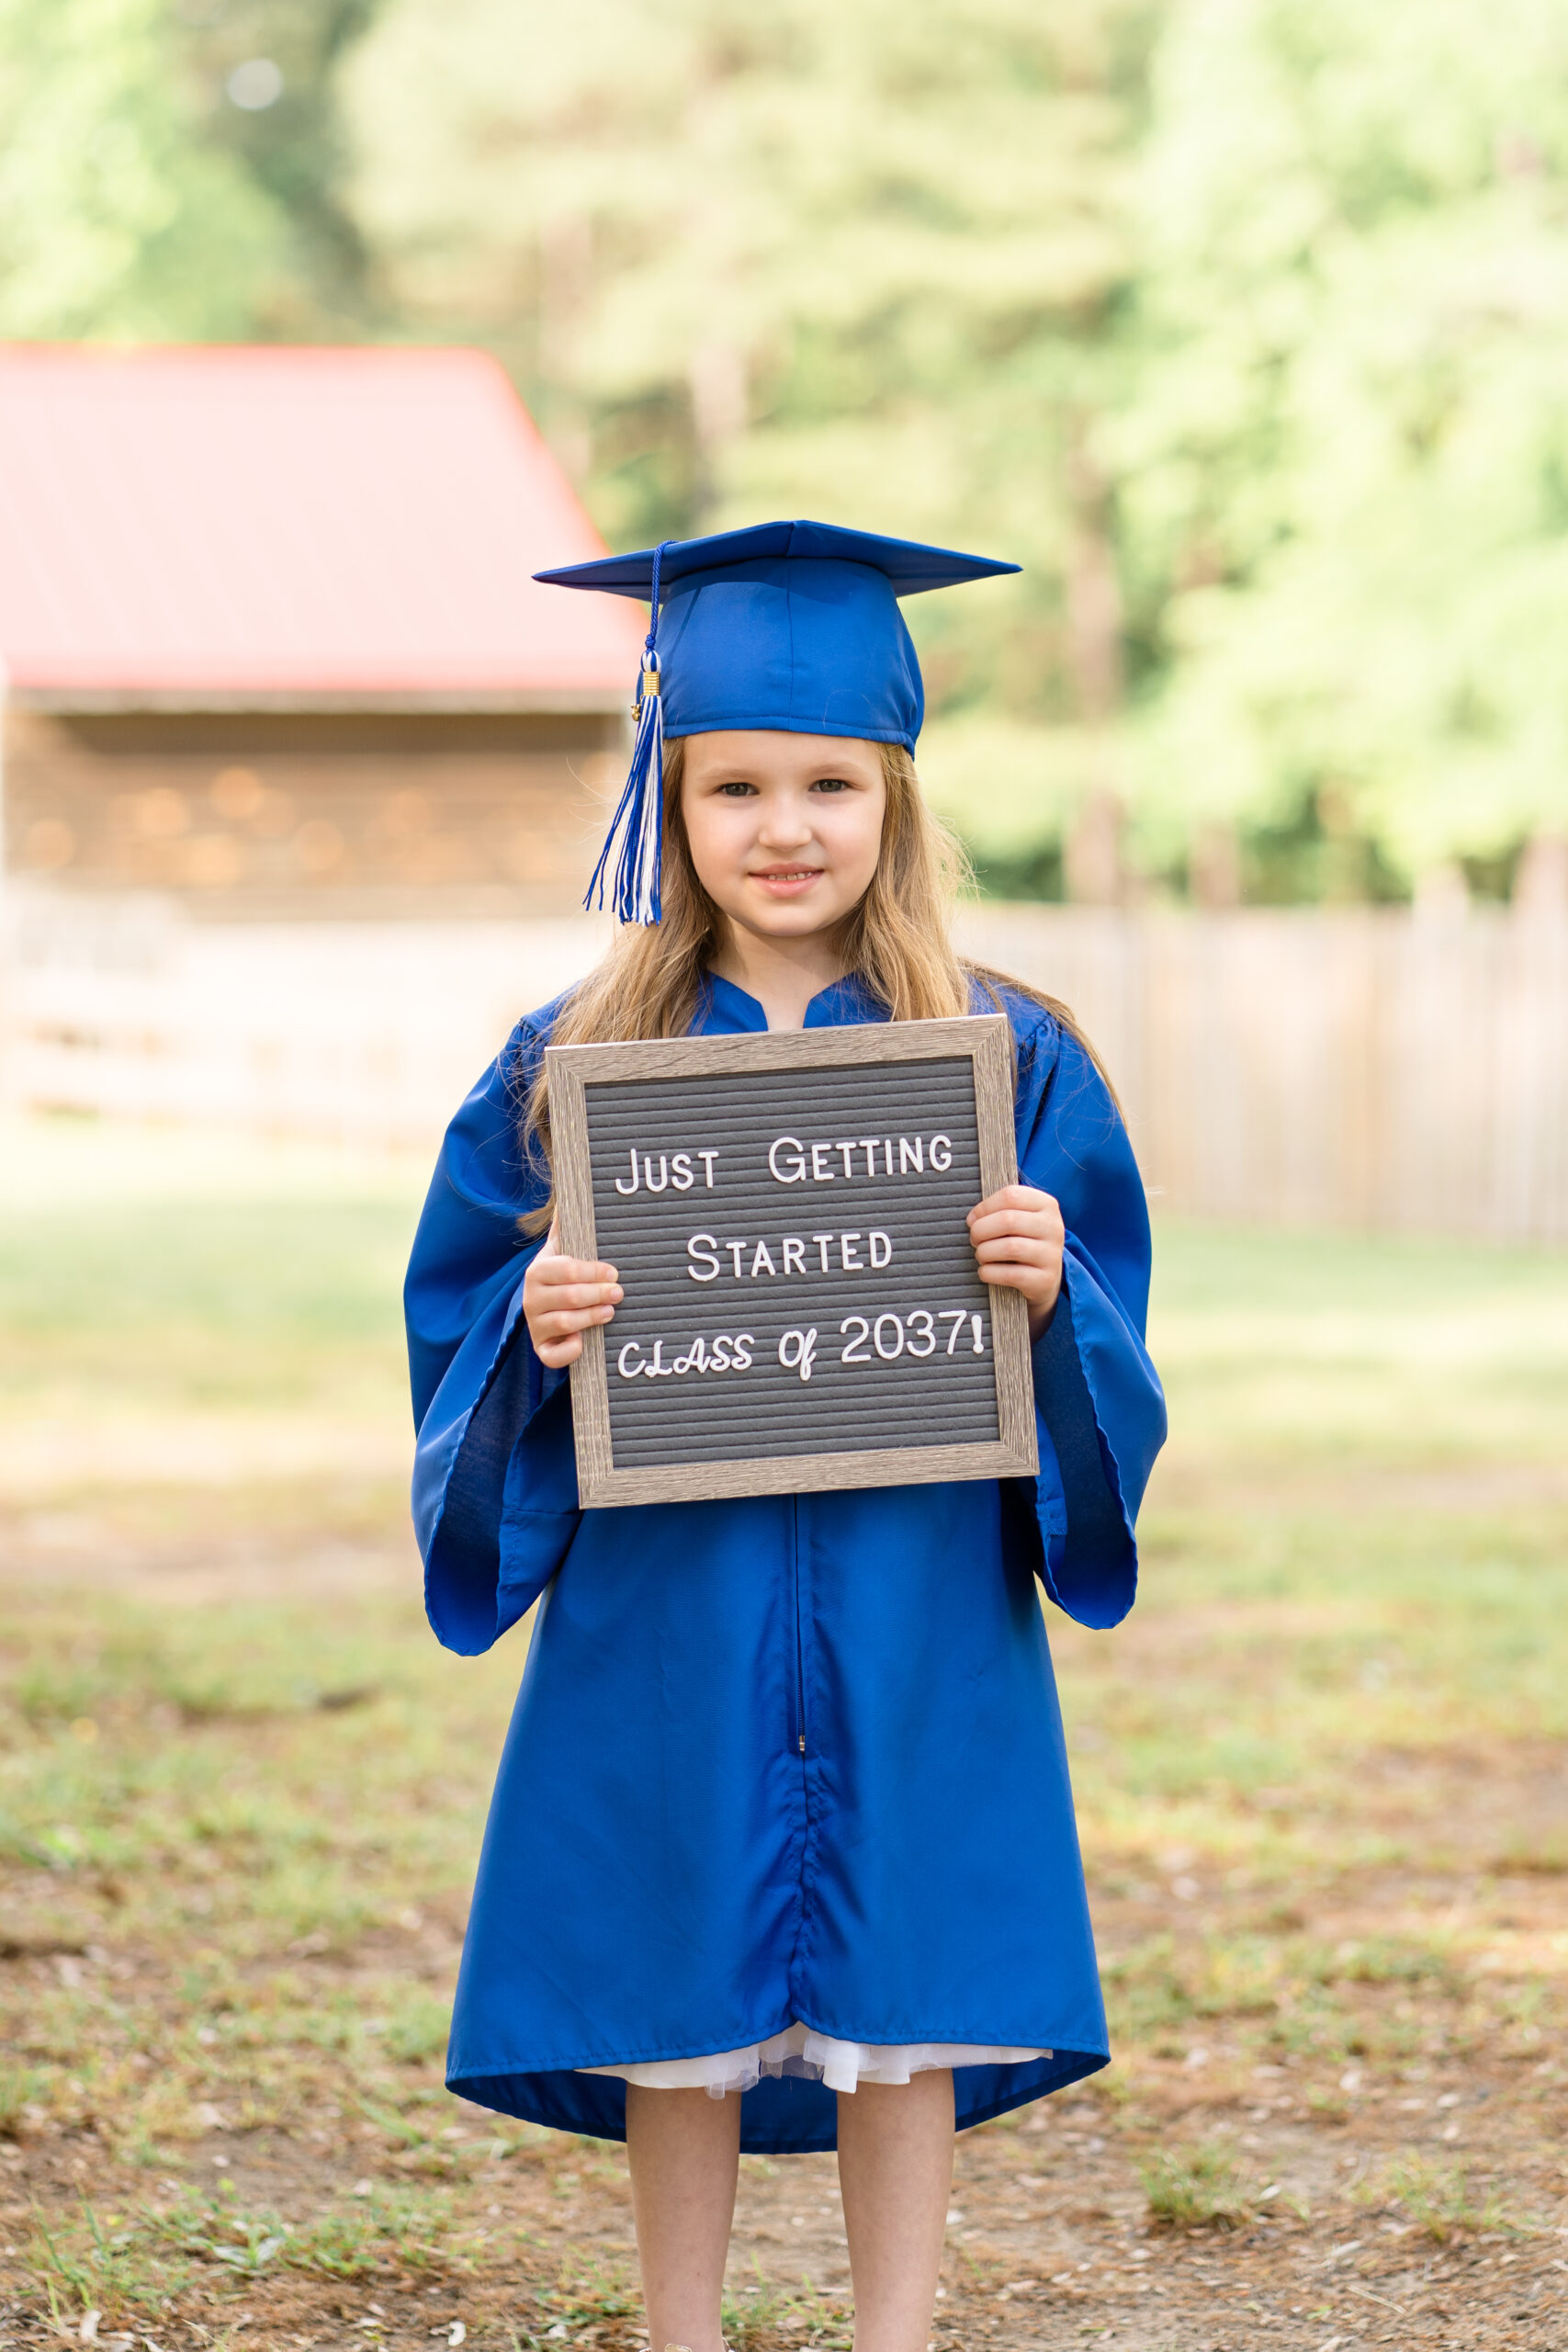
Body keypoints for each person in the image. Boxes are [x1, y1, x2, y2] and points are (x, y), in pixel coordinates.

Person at [404, 521, 1167, 2352]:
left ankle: (890, 2329)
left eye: (829, 781)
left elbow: (1112, 1341)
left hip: (915, 1594)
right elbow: (462, 1318)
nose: (782, 825)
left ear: (894, 798)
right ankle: (681, 2329)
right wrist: (538, 1326)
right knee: (675, 1974)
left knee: (901, 1989)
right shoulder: (565, 1057)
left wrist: (1053, 1284)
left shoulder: (1004, 1050)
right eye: (732, 783)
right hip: (671, 1594)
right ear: (665, 801)